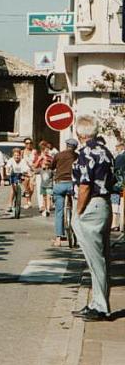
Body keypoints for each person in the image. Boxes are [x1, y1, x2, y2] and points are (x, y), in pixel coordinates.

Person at [71, 115, 114, 322]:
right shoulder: (106, 151)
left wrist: (78, 212)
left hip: (91, 206)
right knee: (102, 258)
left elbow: (85, 185)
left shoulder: (86, 152)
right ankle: (100, 302)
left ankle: (100, 306)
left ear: (80, 133)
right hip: (104, 204)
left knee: (95, 260)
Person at [51, 139, 78, 246]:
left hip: (60, 184)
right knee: (75, 209)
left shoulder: (58, 155)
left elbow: (52, 166)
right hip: (72, 184)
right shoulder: (77, 156)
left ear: (66, 145)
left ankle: (58, 238)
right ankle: (76, 235)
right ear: (75, 147)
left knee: (59, 211)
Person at [5, 148, 30, 213]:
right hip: (13, 175)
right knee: (13, 190)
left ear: (20, 155)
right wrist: (7, 172)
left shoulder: (23, 161)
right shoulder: (11, 160)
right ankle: (9, 205)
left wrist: (29, 173)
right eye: (15, 155)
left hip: (21, 174)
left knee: (27, 178)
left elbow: (27, 168)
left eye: (18, 155)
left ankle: (25, 191)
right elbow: (7, 167)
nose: (17, 157)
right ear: (13, 155)